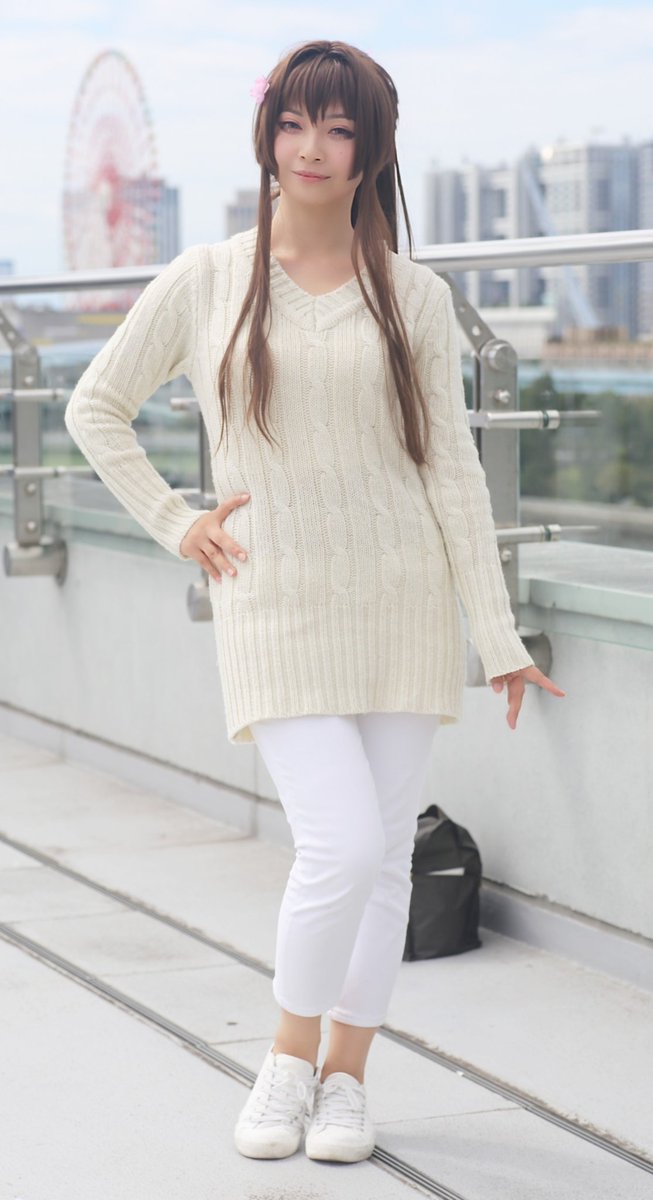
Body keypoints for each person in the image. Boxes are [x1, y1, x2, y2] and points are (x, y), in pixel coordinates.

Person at [64, 38, 566, 1167]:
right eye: (294, 123)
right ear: (267, 132)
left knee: (383, 860)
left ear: (371, 151)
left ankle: (346, 1080)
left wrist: (493, 634)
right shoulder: (207, 278)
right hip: (274, 602)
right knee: (337, 845)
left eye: (339, 129)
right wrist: (178, 521)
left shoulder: (415, 297)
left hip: (401, 601)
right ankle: (286, 1060)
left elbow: (450, 472)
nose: (312, 148)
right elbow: (97, 407)